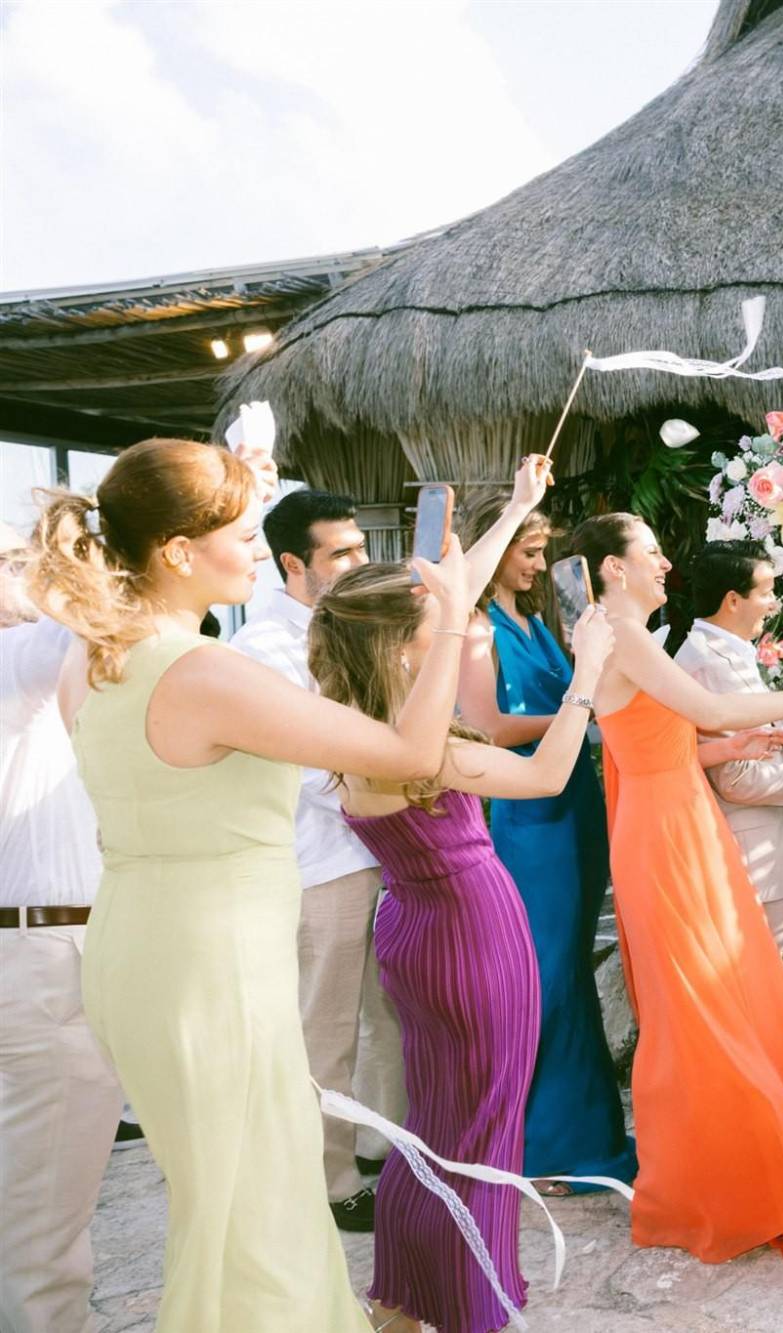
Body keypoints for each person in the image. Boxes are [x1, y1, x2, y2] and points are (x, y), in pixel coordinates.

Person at [28, 438, 480, 1330]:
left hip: (144, 947)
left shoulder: (95, 660)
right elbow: (410, 754)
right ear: (178, 552)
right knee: (256, 1200)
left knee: (231, 1198)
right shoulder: (199, 670)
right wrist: (453, 620)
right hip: (211, 962)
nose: (253, 550)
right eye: (239, 532)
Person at [569, 512, 783, 1261]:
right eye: (651, 553)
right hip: (664, 827)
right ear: (614, 568)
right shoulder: (620, 633)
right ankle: (718, 1177)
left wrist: (732, 745)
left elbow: (667, 729)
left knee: (720, 994)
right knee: (699, 1003)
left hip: (676, 809)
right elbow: (706, 706)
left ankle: (729, 1158)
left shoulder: (626, 636)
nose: (665, 565)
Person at [309, 528, 607, 1333]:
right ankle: (468, 1309)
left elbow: (452, 603)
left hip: (414, 930)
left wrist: (511, 513)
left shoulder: (355, 731)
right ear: (404, 646)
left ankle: (401, 1302)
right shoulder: (421, 748)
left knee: (434, 1127)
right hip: (472, 935)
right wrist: (588, 674)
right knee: (481, 1130)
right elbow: (546, 773)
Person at [230, 487, 405, 1230]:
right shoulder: (261, 646)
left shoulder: (351, 625)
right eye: (343, 552)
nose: (360, 560)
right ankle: (330, 1183)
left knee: (389, 1015)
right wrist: (395, 781)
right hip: (322, 861)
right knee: (325, 1027)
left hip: (379, 847)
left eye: (362, 546)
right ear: (292, 563)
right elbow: (302, 768)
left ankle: (382, 1145)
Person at [453, 491, 637, 1195]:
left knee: (569, 975)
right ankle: (541, 1147)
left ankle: (585, 1133)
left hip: (574, 807)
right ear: (496, 549)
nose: (538, 564)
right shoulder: (477, 628)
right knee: (548, 976)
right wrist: (578, 708)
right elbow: (487, 726)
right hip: (530, 823)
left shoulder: (534, 622)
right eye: (528, 551)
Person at [0, 522, 121, 1333]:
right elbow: (109, 617)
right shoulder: (24, 658)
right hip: (40, 957)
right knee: (43, 1224)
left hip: (36, 948)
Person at [673, 541, 783, 955]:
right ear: (733, 599)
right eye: (766, 591)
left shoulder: (727, 652)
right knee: (755, 984)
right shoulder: (708, 663)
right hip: (748, 852)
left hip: (764, 846)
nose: (774, 602)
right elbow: (736, 779)